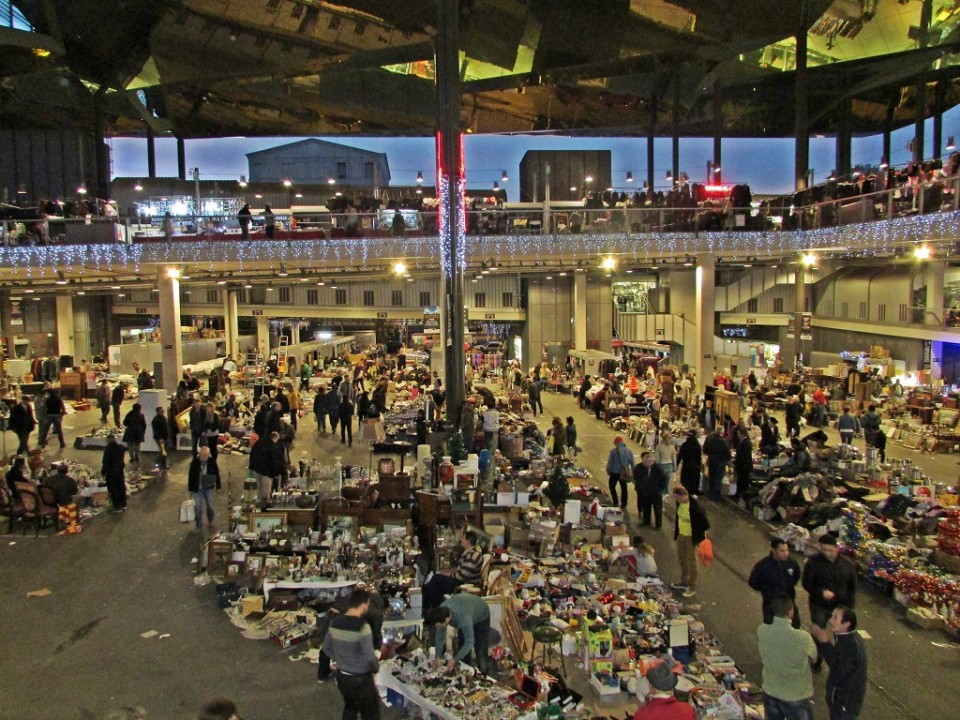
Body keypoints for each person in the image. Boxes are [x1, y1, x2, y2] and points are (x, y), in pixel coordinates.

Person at [322, 587, 381, 720]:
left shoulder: (335, 623)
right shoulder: (363, 626)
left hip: (342, 677)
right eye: (368, 604)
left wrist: (341, 660)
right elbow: (369, 657)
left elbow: (326, 648)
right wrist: (376, 667)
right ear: (363, 604)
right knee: (371, 714)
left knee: (350, 708)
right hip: (361, 679)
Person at [757, 596, 817, 720]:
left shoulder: (762, 630)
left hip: (770, 689)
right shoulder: (803, 637)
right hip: (795, 694)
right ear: (791, 612)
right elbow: (814, 657)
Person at [802, 534, 857, 672]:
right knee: (818, 631)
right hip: (819, 605)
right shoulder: (813, 563)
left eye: (829, 550)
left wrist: (849, 608)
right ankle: (818, 658)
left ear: (837, 548)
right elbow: (807, 583)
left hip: (840, 606)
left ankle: (839, 659)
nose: (827, 553)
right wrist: (821, 592)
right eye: (823, 550)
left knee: (841, 634)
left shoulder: (847, 564)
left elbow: (852, 586)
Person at [811, 607, 868, 720]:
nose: (830, 621)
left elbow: (839, 668)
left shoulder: (851, 646)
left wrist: (825, 643)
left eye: (835, 618)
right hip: (842, 699)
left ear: (846, 624)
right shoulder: (845, 637)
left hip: (845, 703)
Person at [424, 592, 491, 672]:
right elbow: (440, 637)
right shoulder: (441, 612)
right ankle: (465, 675)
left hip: (481, 615)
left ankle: (484, 674)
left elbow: (469, 642)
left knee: (480, 650)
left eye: (440, 626)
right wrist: (438, 657)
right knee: (462, 651)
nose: (439, 628)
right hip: (467, 609)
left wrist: (454, 660)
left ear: (447, 619)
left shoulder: (463, 618)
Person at [749, 539, 803, 628]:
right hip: (771, 603)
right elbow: (753, 582)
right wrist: (767, 590)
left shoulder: (792, 563)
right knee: (771, 627)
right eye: (782, 551)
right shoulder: (763, 566)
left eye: (787, 550)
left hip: (788, 601)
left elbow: (796, 576)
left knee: (795, 626)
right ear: (773, 550)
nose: (785, 553)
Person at [671, 485, 709, 598]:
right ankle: (684, 581)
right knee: (682, 558)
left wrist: (696, 534)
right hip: (681, 535)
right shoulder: (680, 503)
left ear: (684, 496)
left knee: (692, 562)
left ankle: (693, 586)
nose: (676, 500)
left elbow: (706, 524)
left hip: (692, 538)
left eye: (677, 498)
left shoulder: (696, 507)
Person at [188, 445, 220, 531]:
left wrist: (218, 487)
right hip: (197, 488)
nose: (206, 457)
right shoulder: (195, 463)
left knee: (210, 505)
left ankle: (210, 520)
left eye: (207, 454)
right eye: (204, 455)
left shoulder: (212, 462)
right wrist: (190, 489)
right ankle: (198, 525)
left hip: (208, 487)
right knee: (198, 507)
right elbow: (191, 476)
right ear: (200, 454)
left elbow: (217, 473)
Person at [634, 452, 669, 529]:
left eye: (645, 462)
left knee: (657, 509)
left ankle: (658, 525)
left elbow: (664, 481)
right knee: (646, 507)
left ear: (651, 462)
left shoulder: (658, 469)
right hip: (646, 492)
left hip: (655, 493)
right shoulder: (644, 468)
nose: (644, 463)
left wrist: (660, 490)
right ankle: (646, 522)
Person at [248, 431, 278, 505]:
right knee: (266, 492)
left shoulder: (259, 442)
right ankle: (265, 508)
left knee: (259, 489)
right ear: (275, 438)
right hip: (266, 471)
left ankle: (259, 503)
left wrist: (251, 466)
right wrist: (274, 474)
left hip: (256, 468)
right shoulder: (272, 445)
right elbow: (273, 461)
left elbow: (252, 453)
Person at [605, 436, 635, 509]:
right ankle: (624, 504)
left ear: (616, 443)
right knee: (624, 488)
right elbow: (633, 463)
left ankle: (615, 501)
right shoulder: (629, 451)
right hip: (624, 473)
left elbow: (610, 463)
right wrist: (634, 472)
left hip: (614, 472)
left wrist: (608, 470)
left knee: (612, 486)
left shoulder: (613, 451)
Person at [702, 428, 731, 501]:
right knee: (718, 479)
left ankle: (711, 493)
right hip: (720, 462)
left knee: (712, 477)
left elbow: (705, 449)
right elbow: (728, 453)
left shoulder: (709, 438)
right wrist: (726, 460)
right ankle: (716, 495)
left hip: (711, 460)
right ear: (721, 433)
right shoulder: (722, 441)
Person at [101, 434, 127, 513]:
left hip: (112, 472)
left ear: (108, 440)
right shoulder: (120, 447)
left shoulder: (108, 449)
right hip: (120, 471)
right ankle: (123, 504)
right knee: (121, 487)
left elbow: (106, 462)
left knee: (114, 489)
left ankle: (117, 507)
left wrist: (103, 472)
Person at [675, 430, 702, 498]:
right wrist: (699, 465)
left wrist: (676, 464)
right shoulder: (697, 445)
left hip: (686, 464)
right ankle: (692, 493)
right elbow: (699, 456)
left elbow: (680, 455)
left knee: (685, 479)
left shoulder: (685, 445)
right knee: (693, 479)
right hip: (695, 465)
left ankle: (685, 492)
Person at [733, 426, 753, 500]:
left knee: (743, 481)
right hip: (742, 465)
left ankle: (742, 495)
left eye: (738, 434)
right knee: (740, 480)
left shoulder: (746, 442)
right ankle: (738, 494)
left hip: (744, 466)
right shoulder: (743, 441)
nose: (738, 435)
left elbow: (744, 456)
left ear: (742, 434)